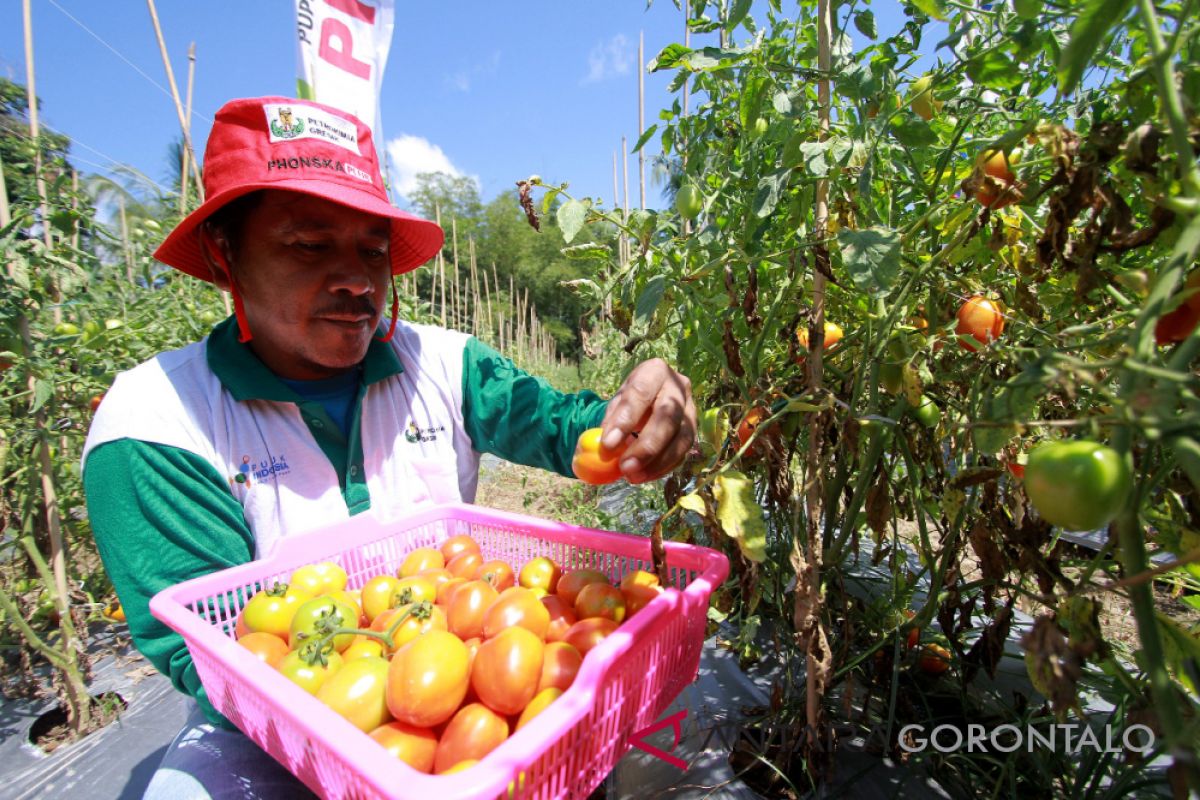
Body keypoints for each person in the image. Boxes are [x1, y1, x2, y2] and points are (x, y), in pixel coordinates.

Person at [81, 96, 696, 797]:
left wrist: (640, 414)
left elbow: (563, 425)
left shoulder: (445, 365)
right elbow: (215, 657)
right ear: (225, 255)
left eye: (373, 251)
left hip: (463, 719)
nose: (355, 280)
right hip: (264, 728)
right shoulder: (156, 422)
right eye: (309, 246)